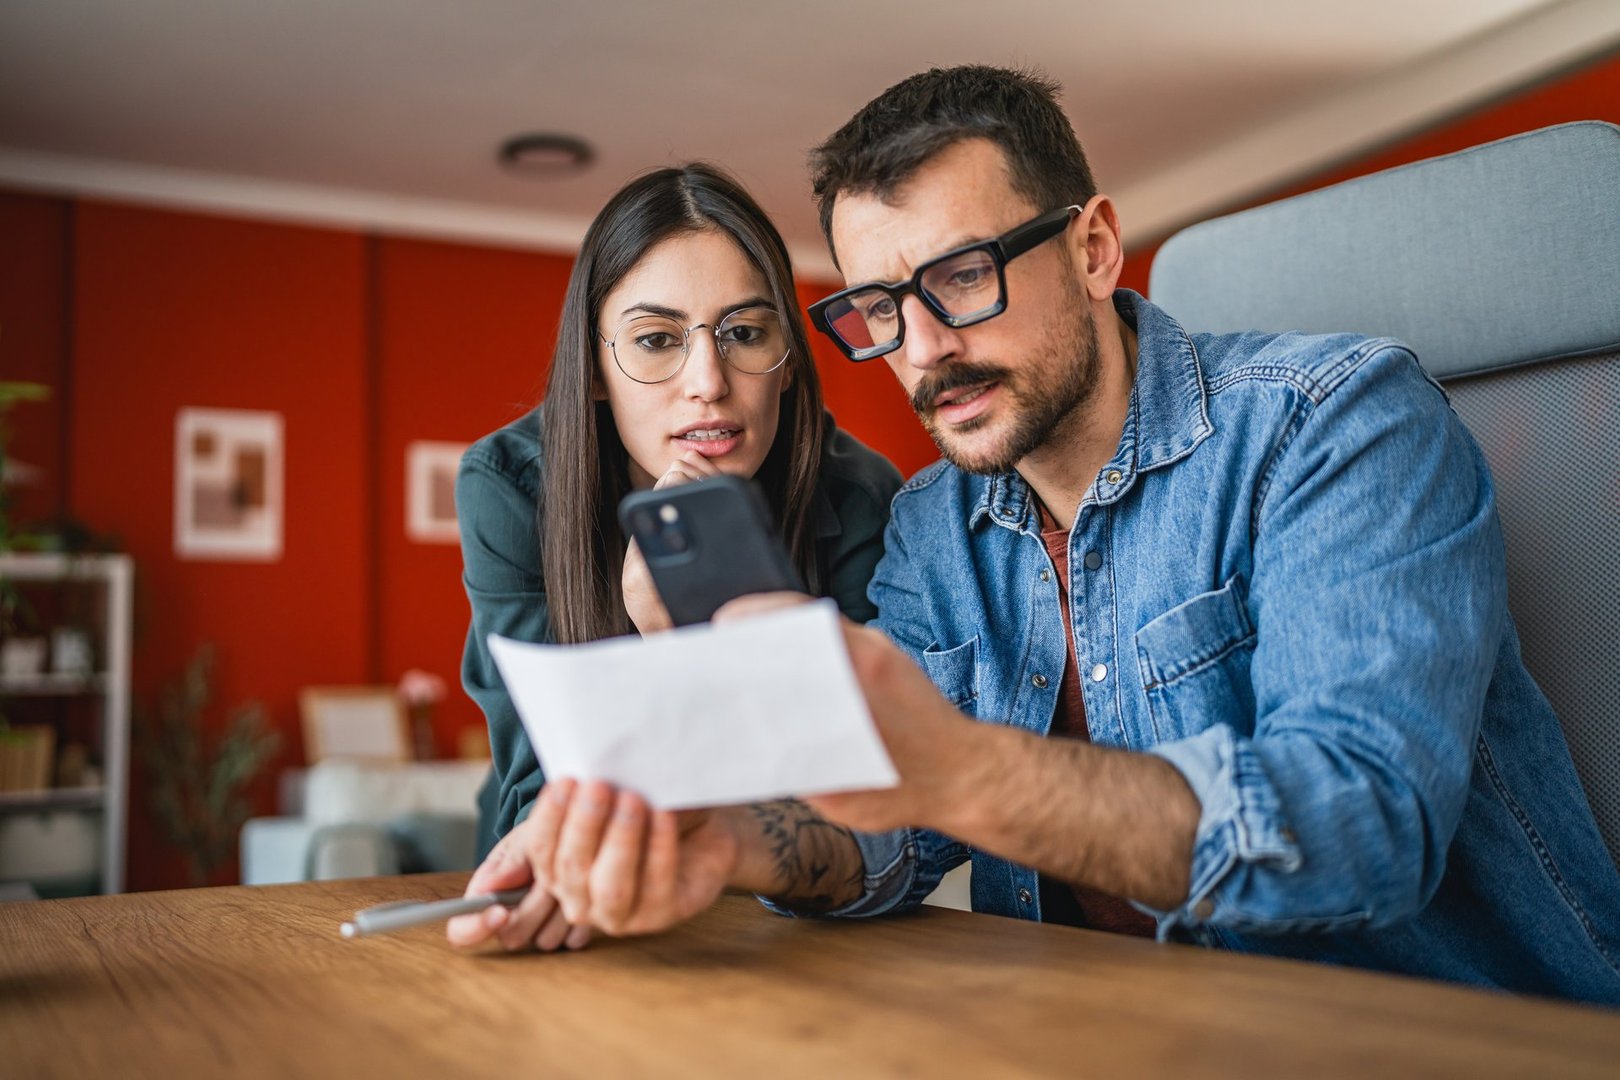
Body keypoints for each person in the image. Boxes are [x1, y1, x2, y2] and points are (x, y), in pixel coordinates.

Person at [452, 69, 1620, 1005]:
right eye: (880, 308)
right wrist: (730, 843)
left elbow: (1359, 826)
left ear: (1095, 247)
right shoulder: (935, 525)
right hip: (1098, 1032)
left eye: (962, 276)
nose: (924, 349)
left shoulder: (1338, 424)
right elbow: (889, 835)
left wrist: (957, 767)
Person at [453, 162, 901, 953]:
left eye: (746, 333)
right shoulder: (511, 488)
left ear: (789, 359)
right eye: (656, 340)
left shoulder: (861, 497)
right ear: (595, 370)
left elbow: (864, 807)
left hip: (792, 915)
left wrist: (683, 637)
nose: (708, 383)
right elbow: (538, 787)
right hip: (570, 878)